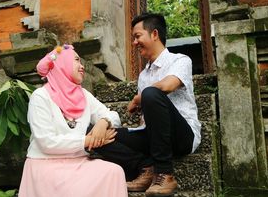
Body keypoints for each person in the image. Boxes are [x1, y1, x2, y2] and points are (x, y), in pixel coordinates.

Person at [95, 13, 201, 196]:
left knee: (151, 93)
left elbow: (167, 86)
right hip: (152, 136)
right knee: (96, 136)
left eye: (137, 36)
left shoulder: (180, 60)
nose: (134, 42)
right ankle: (145, 167)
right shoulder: (144, 76)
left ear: (154, 34)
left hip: (182, 135)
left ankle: (164, 174)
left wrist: (138, 99)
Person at [18, 44, 128, 197]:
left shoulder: (83, 94)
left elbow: (113, 115)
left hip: (78, 161)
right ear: (61, 64)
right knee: (75, 190)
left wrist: (104, 122)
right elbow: (46, 142)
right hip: (46, 164)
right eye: (76, 60)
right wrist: (87, 141)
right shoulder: (40, 96)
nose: (82, 66)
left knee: (114, 172)